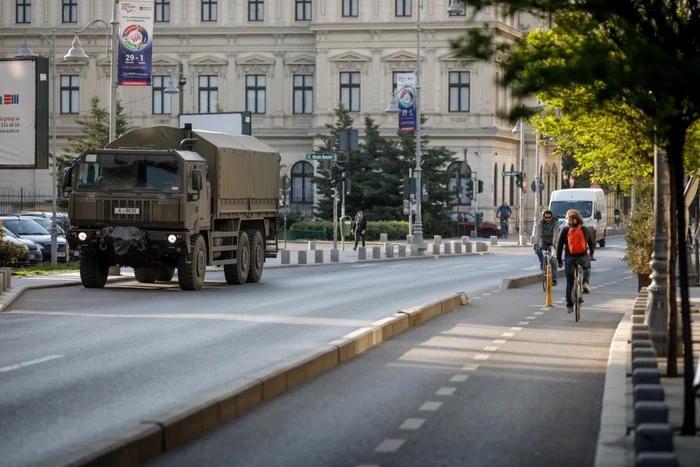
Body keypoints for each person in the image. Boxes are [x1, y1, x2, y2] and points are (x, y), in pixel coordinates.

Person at [556, 209, 595, 314]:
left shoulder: (564, 230)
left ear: (567, 219)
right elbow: (591, 243)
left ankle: (569, 305)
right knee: (587, 267)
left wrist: (559, 261)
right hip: (583, 256)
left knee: (569, 281)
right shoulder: (584, 229)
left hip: (570, 258)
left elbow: (559, 247)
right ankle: (585, 282)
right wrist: (591, 253)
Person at [533, 209, 559, 286]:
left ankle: (554, 279)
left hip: (552, 240)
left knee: (553, 260)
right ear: (543, 217)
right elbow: (538, 233)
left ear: (551, 217)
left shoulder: (555, 222)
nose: (547, 219)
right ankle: (542, 263)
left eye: (549, 217)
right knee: (537, 248)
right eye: (546, 217)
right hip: (543, 239)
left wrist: (554, 243)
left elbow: (555, 233)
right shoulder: (541, 222)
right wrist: (536, 242)